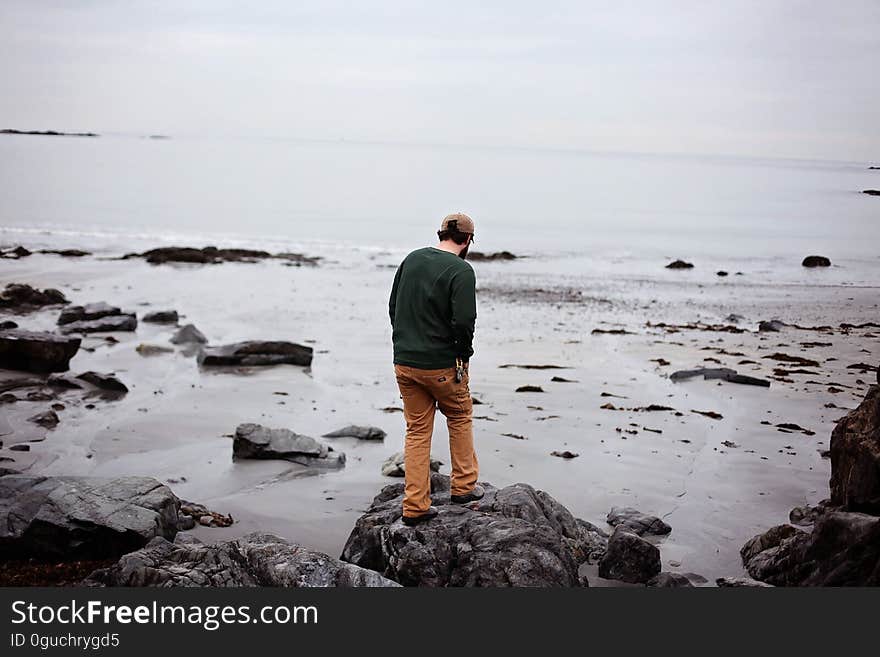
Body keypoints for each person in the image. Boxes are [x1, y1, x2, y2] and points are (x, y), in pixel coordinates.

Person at [389, 213, 483, 526]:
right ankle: (464, 487)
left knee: (417, 430)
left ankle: (414, 506)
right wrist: (463, 355)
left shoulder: (412, 259)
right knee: (459, 416)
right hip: (441, 365)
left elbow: (394, 306)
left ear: (439, 233)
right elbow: (464, 321)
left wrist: (406, 342)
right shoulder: (461, 270)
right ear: (468, 240)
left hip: (405, 361)